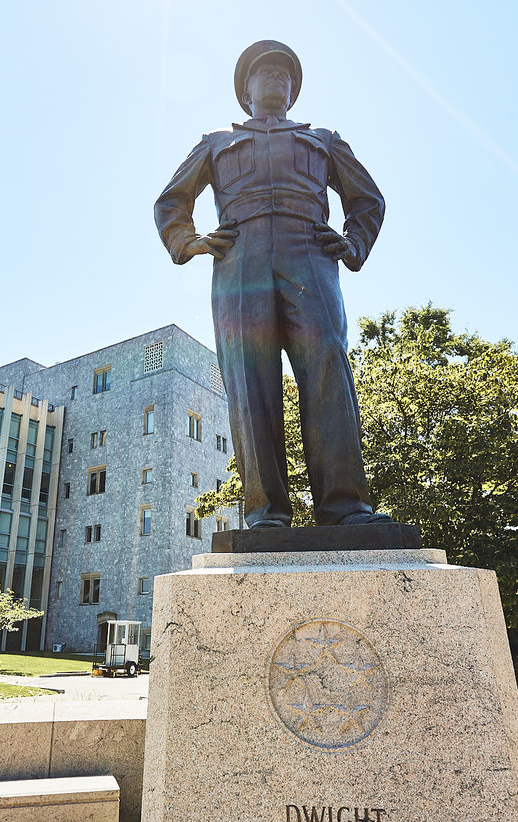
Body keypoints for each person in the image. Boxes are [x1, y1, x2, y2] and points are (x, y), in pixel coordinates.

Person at [154, 40, 393, 529]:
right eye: (264, 74)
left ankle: (345, 507)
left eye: (284, 76)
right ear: (246, 90)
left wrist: (352, 243)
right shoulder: (216, 142)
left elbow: (368, 200)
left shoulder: (323, 139)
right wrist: (191, 241)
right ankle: (266, 513)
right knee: (250, 380)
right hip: (239, 262)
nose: (275, 82)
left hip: (310, 255)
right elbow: (170, 201)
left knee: (328, 367)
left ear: (293, 90)